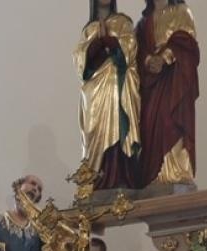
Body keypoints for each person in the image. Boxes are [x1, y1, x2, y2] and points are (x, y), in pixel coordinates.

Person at [78, 0, 142, 191]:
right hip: (95, 92)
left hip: (119, 87)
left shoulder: (123, 23)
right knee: (96, 131)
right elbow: (80, 62)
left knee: (118, 127)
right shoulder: (88, 29)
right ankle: (97, 178)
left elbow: (130, 50)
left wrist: (110, 42)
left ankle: (120, 177)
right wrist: (97, 44)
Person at [137, 0, 200, 187]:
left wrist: (165, 58)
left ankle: (176, 171)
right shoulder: (143, 23)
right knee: (150, 125)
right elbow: (136, 51)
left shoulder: (181, 11)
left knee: (170, 120)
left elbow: (188, 43)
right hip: (151, 85)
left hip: (175, 80)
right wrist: (148, 60)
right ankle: (153, 175)